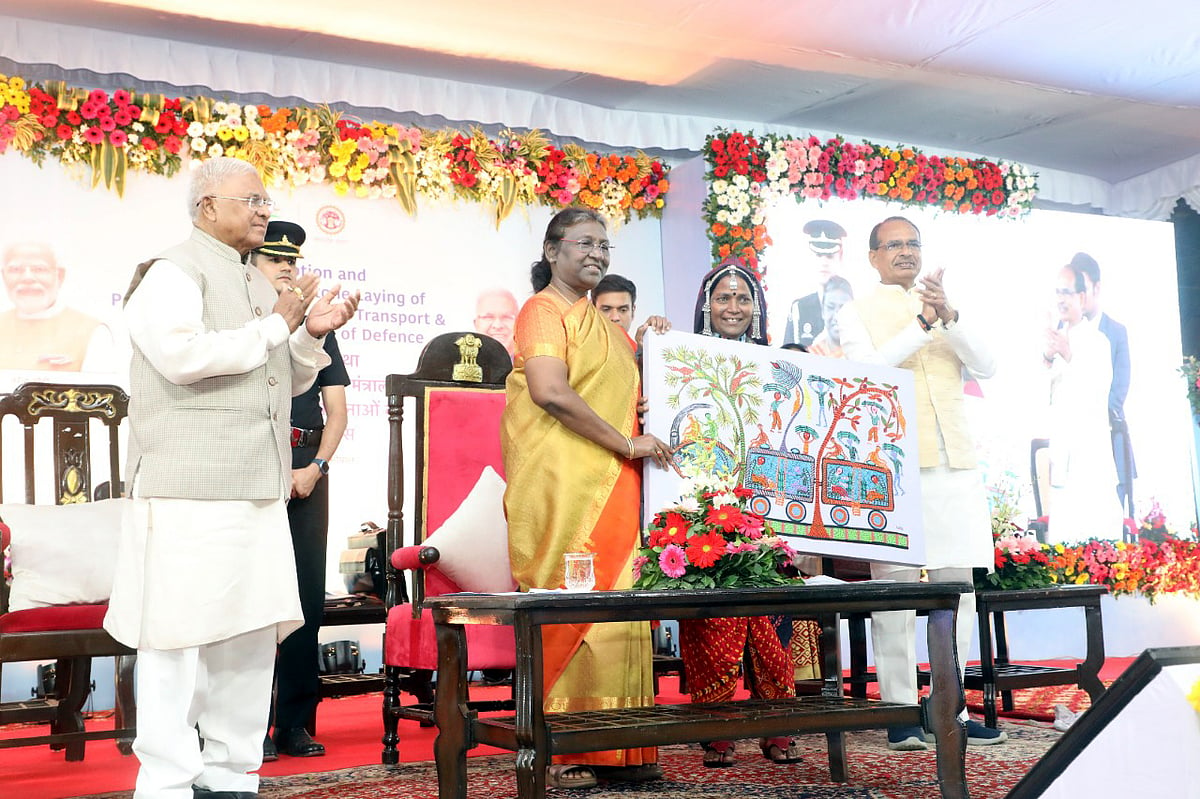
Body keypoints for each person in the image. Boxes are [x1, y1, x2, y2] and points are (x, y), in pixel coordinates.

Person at [104, 157, 360, 798]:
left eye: (266, 198)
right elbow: (182, 357)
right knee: (177, 641)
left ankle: (231, 774)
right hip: (189, 489)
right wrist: (279, 323)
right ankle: (165, 781)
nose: (263, 209)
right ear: (206, 207)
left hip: (256, 491)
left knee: (249, 637)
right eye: (250, 199)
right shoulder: (171, 272)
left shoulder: (252, 282)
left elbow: (278, 378)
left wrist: (308, 340)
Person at [502, 207, 675, 790]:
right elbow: (550, 392)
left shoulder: (609, 327)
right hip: (562, 483)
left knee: (619, 605)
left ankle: (620, 744)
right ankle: (564, 739)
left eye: (605, 245)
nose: (598, 253)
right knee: (574, 603)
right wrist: (627, 440)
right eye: (585, 243)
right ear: (552, 251)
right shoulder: (543, 311)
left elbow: (625, 396)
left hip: (613, 477)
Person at [836, 215, 1006, 750]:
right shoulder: (854, 311)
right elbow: (867, 370)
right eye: (894, 244)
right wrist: (923, 325)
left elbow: (988, 364)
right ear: (873, 256)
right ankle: (900, 712)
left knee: (960, 596)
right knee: (897, 597)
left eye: (913, 243)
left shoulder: (945, 306)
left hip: (953, 468)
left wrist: (949, 317)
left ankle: (948, 710)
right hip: (893, 470)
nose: (905, 252)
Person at [680, 256, 807, 768]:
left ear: (756, 307)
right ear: (707, 306)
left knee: (773, 617)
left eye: (742, 297)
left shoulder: (776, 366)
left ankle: (778, 729)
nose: (733, 306)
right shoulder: (682, 359)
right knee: (712, 619)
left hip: (766, 506)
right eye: (723, 297)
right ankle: (715, 728)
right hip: (705, 507)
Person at [251, 220, 351, 760]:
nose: (286, 267)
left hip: (307, 469)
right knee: (254, 598)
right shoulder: (245, 320)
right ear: (251, 265)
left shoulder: (320, 326)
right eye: (273, 259)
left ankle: (294, 722)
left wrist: (315, 466)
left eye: (292, 260)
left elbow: (336, 412)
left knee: (305, 598)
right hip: (254, 466)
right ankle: (249, 723)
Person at [1042, 260, 1125, 544]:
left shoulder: (1098, 340)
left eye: (1066, 292)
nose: (1061, 299)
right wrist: (1047, 358)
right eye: (1057, 292)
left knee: (1097, 538)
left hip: (1090, 454)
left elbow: (1099, 392)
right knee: (1063, 539)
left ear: (1081, 297)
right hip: (1062, 455)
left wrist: (1068, 355)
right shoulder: (1051, 340)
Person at [1070, 251, 1135, 517]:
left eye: (1083, 288)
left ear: (1097, 287)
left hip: (1107, 436)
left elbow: (1119, 389)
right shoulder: (1061, 331)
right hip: (1070, 443)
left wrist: (1091, 418)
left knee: (1113, 523)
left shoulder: (1116, 332)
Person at [0, 240, 116, 372]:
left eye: (39, 269)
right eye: (15, 270)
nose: (27, 278)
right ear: (4, 276)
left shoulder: (92, 331)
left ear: (59, 275)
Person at [783, 219, 847, 348]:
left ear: (840, 257)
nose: (824, 262)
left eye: (830, 257)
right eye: (818, 255)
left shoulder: (852, 307)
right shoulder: (800, 307)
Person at [807, 275, 853, 358]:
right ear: (823, 311)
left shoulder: (863, 353)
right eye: (831, 307)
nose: (836, 316)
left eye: (843, 307)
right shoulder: (810, 356)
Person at [473, 287, 519, 358]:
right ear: (476, 324)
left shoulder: (532, 365)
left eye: (506, 317)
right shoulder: (459, 366)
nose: (497, 326)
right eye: (488, 317)